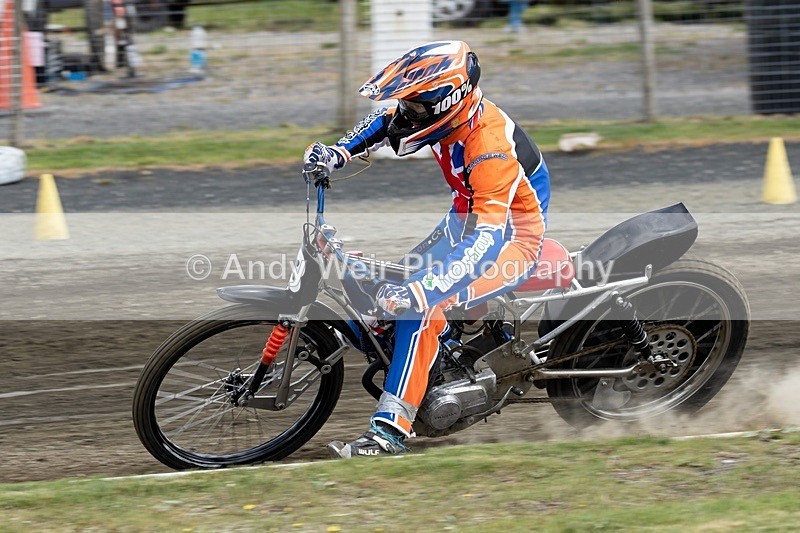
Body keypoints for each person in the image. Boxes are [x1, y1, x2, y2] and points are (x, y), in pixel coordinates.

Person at [303, 41, 550, 458]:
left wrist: (422, 293)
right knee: (384, 292)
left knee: (420, 308)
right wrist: (338, 152)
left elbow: (486, 240)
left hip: (510, 239)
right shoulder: (449, 118)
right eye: (407, 103)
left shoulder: (489, 147)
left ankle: (389, 434)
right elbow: (386, 120)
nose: (406, 113)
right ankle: (437, 362)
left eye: (416, 107)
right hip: (463, 220)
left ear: (447, 103)